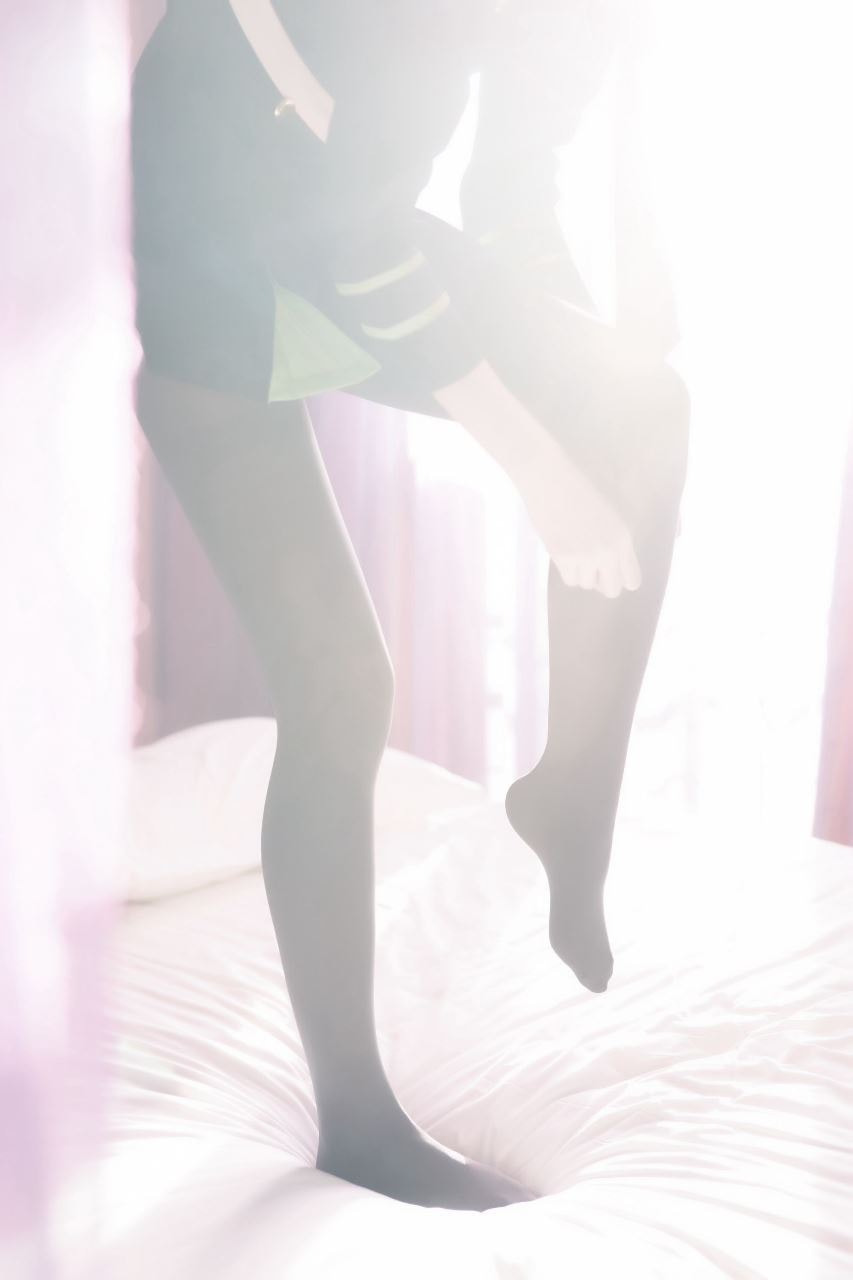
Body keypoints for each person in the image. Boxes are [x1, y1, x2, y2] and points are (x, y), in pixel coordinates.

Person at [131, 0, 689, 1210]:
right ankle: (359, 1124)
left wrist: (571, 384)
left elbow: (511, 192)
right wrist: (538, 464)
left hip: (338, 216)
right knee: (342, 690)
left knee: (643, 408)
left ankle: (569, 797)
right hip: (215, 263)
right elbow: (357, 239)